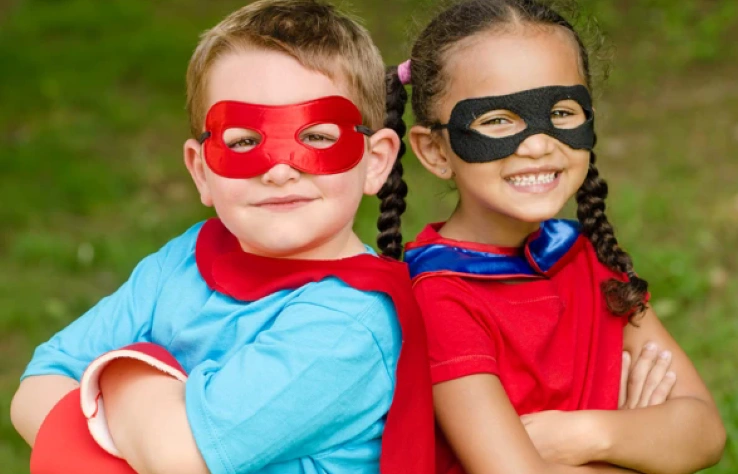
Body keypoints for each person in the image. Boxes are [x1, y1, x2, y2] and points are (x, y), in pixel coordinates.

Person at [9, 1, 435, 473]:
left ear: (375, 161)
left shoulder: (350, 325)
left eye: (316, 137)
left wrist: (126, 369)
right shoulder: (186, 259)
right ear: (201, 171)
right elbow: (38, 387)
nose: (279, 171)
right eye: (244, 142)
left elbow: (179, 459)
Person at [384, 0, 727, 473]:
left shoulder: (586, 255)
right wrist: (638, 447)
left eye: (562, 112)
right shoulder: (439, 296)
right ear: (435, 151)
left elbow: (704, 432)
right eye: (496, 120)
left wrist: (583, 435)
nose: (539, 144)